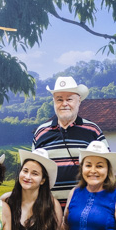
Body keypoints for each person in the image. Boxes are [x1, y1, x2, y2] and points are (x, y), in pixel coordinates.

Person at [32, 76, 107, 208]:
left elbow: (107, 168)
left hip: (85, 209)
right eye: (59, 99)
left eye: (69, 99)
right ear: (54, 102)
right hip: (48, 209)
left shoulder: (93, 130)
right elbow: (33, 170)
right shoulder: (41, 133)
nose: (64, 103)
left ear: (79, 101)